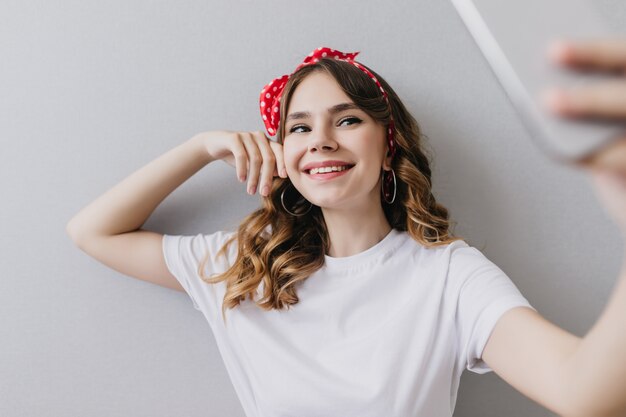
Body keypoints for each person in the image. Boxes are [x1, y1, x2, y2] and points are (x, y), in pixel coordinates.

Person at [66, 41, 626, 417]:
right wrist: (200, 147)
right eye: (299, 127)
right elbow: (94, 232)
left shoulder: (450, 276)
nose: (321, 140)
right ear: (281, 154)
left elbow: (585, 391)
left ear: (389, 146)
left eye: (348, 119)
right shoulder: (247, 267)